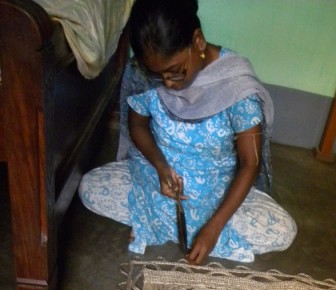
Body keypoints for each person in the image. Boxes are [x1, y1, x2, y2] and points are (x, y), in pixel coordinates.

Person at [79, 0, 296, 264]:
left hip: (214, 198)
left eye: (176, 71)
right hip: (155, 184)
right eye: (158, 76)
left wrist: (213, 229)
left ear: (198, 41)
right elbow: (137, 125)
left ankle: (184, 227)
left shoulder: (235, 86)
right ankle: (158, 217)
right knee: (88, 187)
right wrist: (160, 167)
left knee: (284, 231)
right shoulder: (144, 73)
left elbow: (250, 164)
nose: (169, 83)